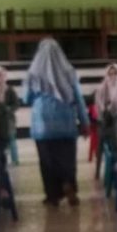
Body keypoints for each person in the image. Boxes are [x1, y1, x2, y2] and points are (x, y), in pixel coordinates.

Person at [24, 38, 90, 206]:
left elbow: (26, 98)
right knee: (67, 158)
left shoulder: (33, 72)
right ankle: (69, 183)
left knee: (47, 161)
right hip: (65, 120)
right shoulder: (69, 71)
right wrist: (84, 122)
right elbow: (78, 98)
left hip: (42, 122)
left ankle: (52, 195)